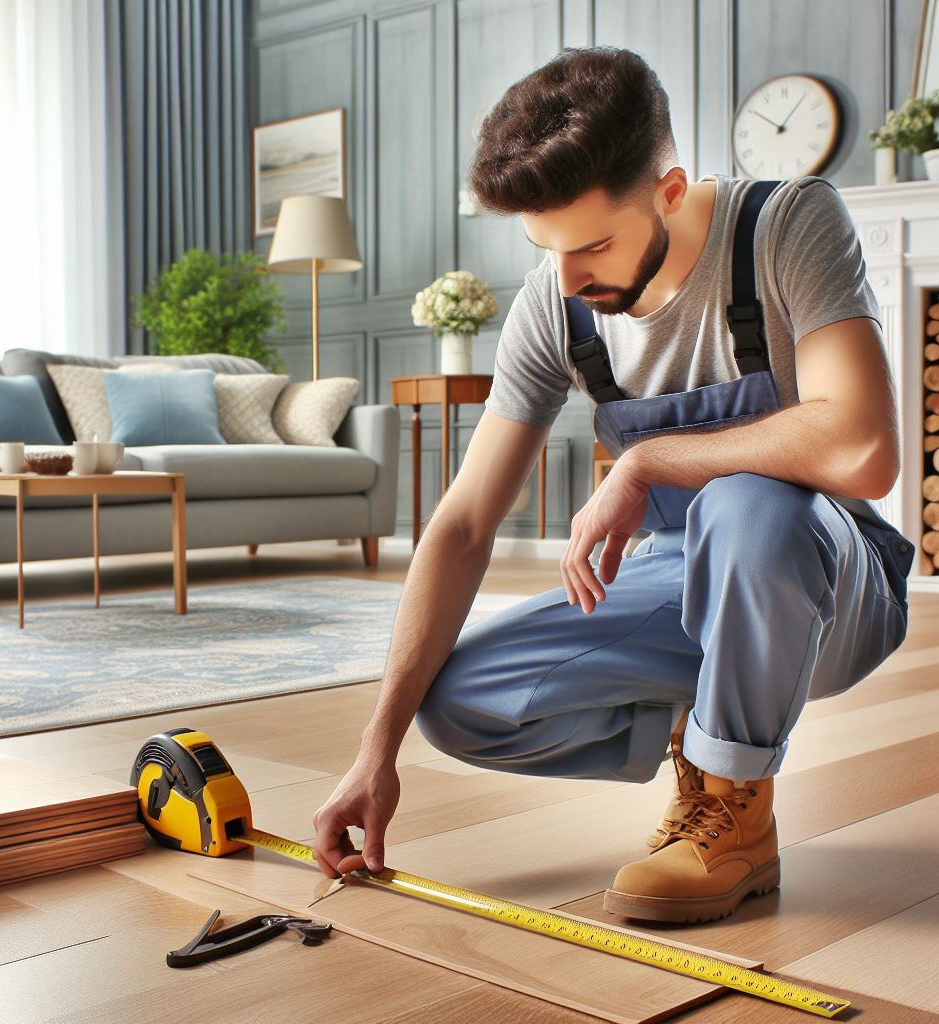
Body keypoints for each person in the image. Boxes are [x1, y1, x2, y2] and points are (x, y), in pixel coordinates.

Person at [311, 46, 914, 924]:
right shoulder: (555, 301)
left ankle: (733, 806)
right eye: (544, 249)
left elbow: (864, 446)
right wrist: (376, 748)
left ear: (669, 191)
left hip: (830, 584)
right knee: (460, 702)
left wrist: (647, 460)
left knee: (745, 504)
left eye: (592, 244)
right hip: (689, 590)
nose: (568, 281)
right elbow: (464, 526)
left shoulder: (787, 225)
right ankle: (713, 723)